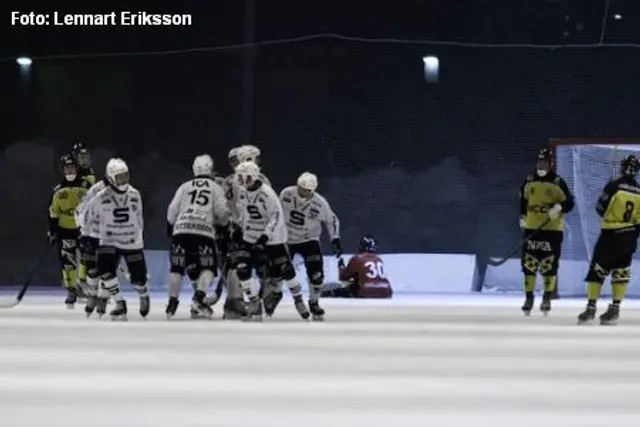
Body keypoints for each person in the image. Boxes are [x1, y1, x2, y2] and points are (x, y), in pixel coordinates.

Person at [233, 160, 309, 320]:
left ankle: (299, 300)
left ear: (252, 177)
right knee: (242, 268)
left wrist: (265, 236)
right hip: (251, 236)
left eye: (243, 177)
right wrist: (239, 228)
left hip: (273, 238)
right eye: (238, 177)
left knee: (286, 270)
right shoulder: (242, 192)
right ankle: (255, 304)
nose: (239, 181)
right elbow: (245, 213)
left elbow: (275, 217)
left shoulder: (267, 193)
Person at [577, 155, 640, 325]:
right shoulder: (639, 191)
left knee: (597, 270)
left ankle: (591, 308)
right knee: (621, 272)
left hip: (610, 235)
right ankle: (615, 310)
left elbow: (600, 208)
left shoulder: (614, 185)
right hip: (629, 237)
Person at [165, 154, 230, 319]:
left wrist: (171, 226)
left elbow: (172, 210)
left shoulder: (184, 186)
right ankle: (199, 298)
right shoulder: (215, 187)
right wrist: (223, 225)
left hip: (181, 229)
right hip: (203, 231)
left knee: (177, 268)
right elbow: (222, 212)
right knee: (208, 268)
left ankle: (172, 303)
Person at [84, 158, 149, 320]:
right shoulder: (100, 196)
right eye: (119, 177)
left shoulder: (134, 194)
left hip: (131, 240)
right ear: (111, 178)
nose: (123, 181)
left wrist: (139, 235)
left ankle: (144, 294)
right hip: (109, 240)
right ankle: (119, 302)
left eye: (125, 176)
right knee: (105, 271)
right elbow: (86, 214)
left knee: (139, 277)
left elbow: (139, 217)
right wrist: (87, 234)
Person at [276, 172, 341, 320]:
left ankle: (314, 302)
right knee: (278, 271)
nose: (301, 192)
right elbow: (276, 213)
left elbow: (332, 220)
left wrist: (335, 238)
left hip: (309, 240)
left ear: (312, 191)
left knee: (316, 275)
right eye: (300, 188)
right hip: (287, 238)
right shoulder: (286, 193)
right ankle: (275, 295)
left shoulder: (320, 203)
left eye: (305, 190)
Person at [518, 148, 574, 316]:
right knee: (529, 264)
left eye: (544, 162)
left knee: (549, 265)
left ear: (551, 164)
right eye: (539, 162)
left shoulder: (558, 182)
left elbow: (570, 203)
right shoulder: (529, 180)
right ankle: (529, 298)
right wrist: (522, 216)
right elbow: (523, 199)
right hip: (531, 228)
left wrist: (559, 207)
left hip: (551, 230)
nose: (540, 165)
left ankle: (547, 297)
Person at [48, 154, 90, 307]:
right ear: (62, 170)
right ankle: (71, 290)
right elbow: (53, 212)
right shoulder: (58, 190)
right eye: (67, 168)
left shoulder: (86, 186)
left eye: (72, 167)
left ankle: (84, 285)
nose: (70, 171)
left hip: (83, 230)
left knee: (87, 258)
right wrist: (52, 231)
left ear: (77, 168)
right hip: (65, 230)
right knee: (67, 262)